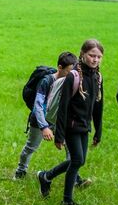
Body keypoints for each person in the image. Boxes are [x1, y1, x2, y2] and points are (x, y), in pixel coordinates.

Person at [37, 39, 104, 205]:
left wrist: (98, 131)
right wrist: (59, 136)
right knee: (77, 160)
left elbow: (98, 106)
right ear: (82, 54)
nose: (95, 59)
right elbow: (63, 108)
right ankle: (67, 200)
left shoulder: (97, 77)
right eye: (92, 55)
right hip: (71, 126)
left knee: (79, 160)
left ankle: (46, 176)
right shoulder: (73, 76)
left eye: (99, 57)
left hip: (84, 126)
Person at [14, 52, 86, 182]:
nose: (71, 75)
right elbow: (38, 106)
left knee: (71, 149)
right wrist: (44, 127)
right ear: (60, 67)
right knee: (31, 147)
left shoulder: (70, 81)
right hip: (41, 120)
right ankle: (20, 171)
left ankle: (75, 178)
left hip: (59, 120)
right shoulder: (46, 81)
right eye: (69, 71)